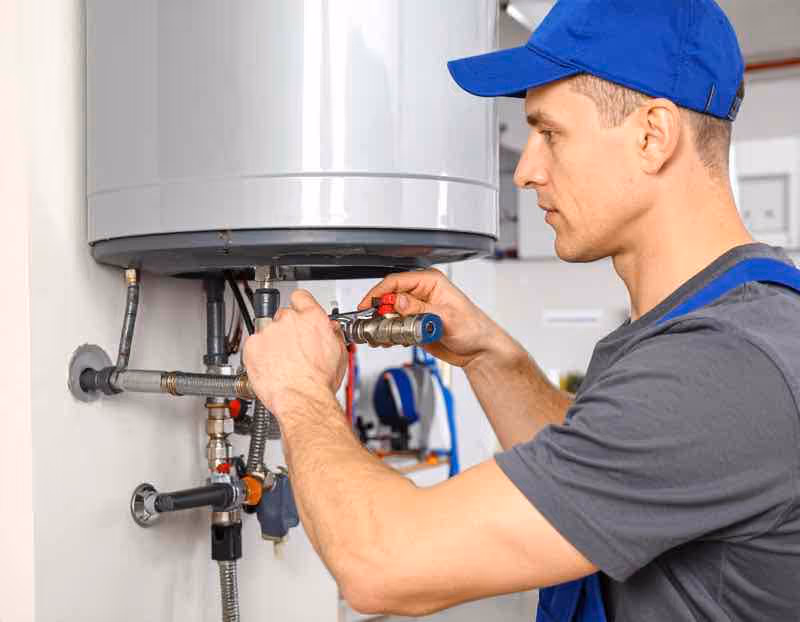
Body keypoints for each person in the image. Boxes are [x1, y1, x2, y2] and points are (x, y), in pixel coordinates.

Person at [244, 1, 800, 620]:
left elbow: (384, 565)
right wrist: (490, 356)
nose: (527, 170)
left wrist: (297, 390)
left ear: (653, 135)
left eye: (550, 132)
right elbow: (607, 477)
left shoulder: (722, 366)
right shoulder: (719, 331)